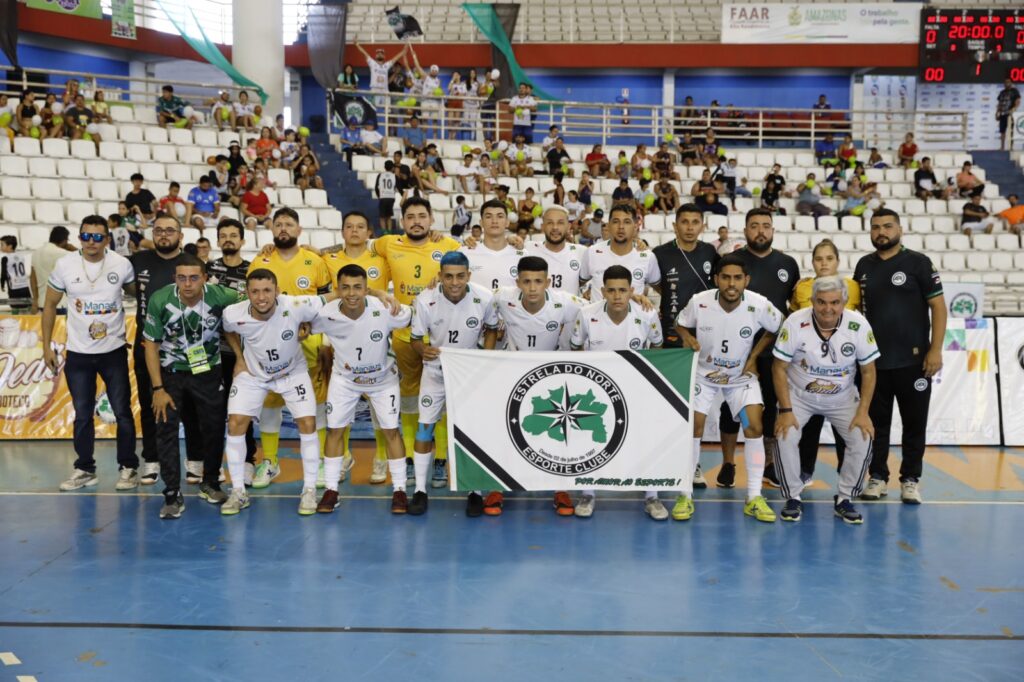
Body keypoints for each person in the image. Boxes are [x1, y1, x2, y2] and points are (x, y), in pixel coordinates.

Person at [675, 253, 783, 522]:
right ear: (716, 279)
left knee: (754, 425)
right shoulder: (699, 302)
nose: (731, 284)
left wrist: (754, 357)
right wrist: (687, 336)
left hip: (738, 377)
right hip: (704, 375)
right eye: (725, 278)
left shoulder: (759, 305)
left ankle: (754, 496)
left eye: (737, 278)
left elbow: (777, 328)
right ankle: (684, 494)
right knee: (694, 425)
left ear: (746, 280)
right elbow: (680, 324)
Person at [221, 270, 332, 516]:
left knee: (307, 423)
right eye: (255, 291)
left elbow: (333, 297)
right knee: (236, 423)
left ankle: (310, 490)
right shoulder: (233, 313)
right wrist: (239, 358)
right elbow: (228, 329)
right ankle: (238, 491)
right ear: (247, 292)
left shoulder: (295, 304)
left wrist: (376, 292)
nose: (261, 297)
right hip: (254, 374)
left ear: (277, 291)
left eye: (267, 290)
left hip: (292, 373)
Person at [854, 208, 946, 504]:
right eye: (876, 227)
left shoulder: (919, 263)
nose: (882, 232)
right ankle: (877, 477)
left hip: (915, 362)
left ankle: (910, 480)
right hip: (874, 364)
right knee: (876, 425)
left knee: (914, 424)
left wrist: (935, 349)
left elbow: (939, 308)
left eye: (887, 226)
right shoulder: (863, 266)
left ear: (900, 229)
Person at [369, 197, 462, 486]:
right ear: (402, 220)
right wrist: (309, 249)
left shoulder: (448, 246)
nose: (417, 221)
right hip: (404, 333)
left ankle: (441, 458)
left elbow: (477, 261)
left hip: (440, 336)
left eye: (422, 215)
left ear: (432, 219)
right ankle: (409, 457)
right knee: (409, 398)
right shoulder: (388, 243)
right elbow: (353, 248)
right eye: (410, 217)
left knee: (444, 398)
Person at [772, 276, 878, 525]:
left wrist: (863, 412)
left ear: (844, 302)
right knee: (784, 435)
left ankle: (845, 498)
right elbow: (778, 368)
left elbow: (869, 372)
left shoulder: (858, 325)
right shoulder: (795, 322)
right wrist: (786, 409)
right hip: (799, 396)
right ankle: (793, 496)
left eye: (834, 302)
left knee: (863, 437)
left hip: (842, 397)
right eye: (821, 302)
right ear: (811, 301)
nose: (828, 309)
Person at [42, 215, 138, 492]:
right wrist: (46, 345)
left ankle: (128, 467)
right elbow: (49, 306)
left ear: (107, 239)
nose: (91, 242)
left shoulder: (121, 265)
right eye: (86, 236)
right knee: (82, 414)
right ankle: (85, 469)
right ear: (79, 237)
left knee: (122, 412)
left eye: (97, 237)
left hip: (113, 351)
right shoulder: (64, 265)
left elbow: (140, 296)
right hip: (78, 354)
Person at [142, 255, 238, 519]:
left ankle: (210, 483)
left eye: (194, 277)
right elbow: (150, 345)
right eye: (181, 278)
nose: (187, 284)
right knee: (166, 431)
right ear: (175, 278)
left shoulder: (222, 296)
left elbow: (259, 302)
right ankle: (172, 493)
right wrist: (158, 389)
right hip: (171, 375)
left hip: (209, 371)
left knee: (214, 428)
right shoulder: (160, 300)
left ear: (205, 278)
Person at [312, 264, 410, 513]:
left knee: (391, 431)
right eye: (345, 287)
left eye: (358, 287)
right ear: (337, 289)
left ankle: (399, 490)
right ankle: (331, 489)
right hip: (345, 380)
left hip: (382, 380)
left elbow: (416, 317)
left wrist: (381, 294)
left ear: (367, 289)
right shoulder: (325, 314)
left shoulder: (386, 309)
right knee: (335, 431)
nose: (352, 293)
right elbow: (299, 318)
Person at [491, 256, 585, 516]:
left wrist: (637, 299)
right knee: (505, 433)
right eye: (527, 281)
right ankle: (497, 485)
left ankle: (560, 488)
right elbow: (470, 299)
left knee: (557, 434)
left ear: (549, 282)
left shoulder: (565, 302)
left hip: (550, 377)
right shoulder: (502, 298)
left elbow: (600, 309)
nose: (532, 288)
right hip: (511, 374)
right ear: (517, 282)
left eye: (538, 281)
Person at [570, 265, 666, 519]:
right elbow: (576, 349)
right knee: (589, 441)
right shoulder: (586, 313)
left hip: (636, 388)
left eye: (623, 290)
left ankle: (652, 496)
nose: (617, 296)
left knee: (646, 440)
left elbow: (657, 347)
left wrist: (648, 382)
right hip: (595, 390)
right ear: (602, 291)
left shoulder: (647, 314)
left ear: (632, 291)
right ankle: (588, 493)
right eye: (611, 290)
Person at [246, 208, 333, 489]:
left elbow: (327, 303)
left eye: (289, 224)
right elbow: (250, 303)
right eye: (279, 224)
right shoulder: (261, 260)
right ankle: (270, 461)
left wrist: (324, 337)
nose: (283, 228)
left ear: (299, 229)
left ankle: (319, 460)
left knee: (317, 401)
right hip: (270, 345)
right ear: (272, 229)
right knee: (270, 403)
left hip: (308, 341)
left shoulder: (314, 261)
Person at [411, 252, 499, 516]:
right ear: (439, 276)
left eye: (460, 276)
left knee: (471, 431)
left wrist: (485, 357)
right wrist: (422, 349)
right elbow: (416, 339)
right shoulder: (425, 300)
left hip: (469, 375)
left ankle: (474, 491)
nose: (454, 282)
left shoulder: (484, 297)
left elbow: (492, 329)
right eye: (448, 276)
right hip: (435, 373)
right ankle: (419, 490)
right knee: (424, 429)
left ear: (468, 276)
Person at [130, 213, 207, 485]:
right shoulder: (137, 261)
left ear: (180, 236)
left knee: (193, 407)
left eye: (170, 231)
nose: (164, 235)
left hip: (188, 351)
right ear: (152, 233)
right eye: (159, 230)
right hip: (147, 347)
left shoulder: (190, 264)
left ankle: (196, 461)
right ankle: (151, 461)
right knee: (152, 406)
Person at [732, 209, 800, 488]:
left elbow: (794, 306)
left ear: (773, 230)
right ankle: (728, 463)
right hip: (738, 347)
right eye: (754, 226)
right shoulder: (734, 261)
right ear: (745, 230)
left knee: (773, 403)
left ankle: (771, 464)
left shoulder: (787, 263)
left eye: (766, 226)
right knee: (732, 406)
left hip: (776, 350)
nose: (760, 231)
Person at [789, 239, 861, 480]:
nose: (824, 263)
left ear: (838, 261)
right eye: (819, 259)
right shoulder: (802, 288)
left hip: (843, 368)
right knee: (810, 425)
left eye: (829, 258)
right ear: (812, 262)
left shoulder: (852, 286)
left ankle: (846, 472)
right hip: (809, 367)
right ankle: (805, 470)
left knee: (846, 426)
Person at [206, 219, 258, 483]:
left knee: (242, 408)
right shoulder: (207, 270)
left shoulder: (253, 271)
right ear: (217, 241)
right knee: (214, 411)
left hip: (243, 354)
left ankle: (248, 461)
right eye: (223, 235)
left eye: (233, 236)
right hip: (212, 353)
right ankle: (212, 466)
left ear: (242, 241)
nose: (228, 239)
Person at [652, 205, 719, 351]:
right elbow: (654, 283)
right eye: (684, 222)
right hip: (672, 328)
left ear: (703, 226)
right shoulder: (660, 253)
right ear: (675, 226)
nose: (690, 228)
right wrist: (670, 294)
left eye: (695, 222)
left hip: (705, 326)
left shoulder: (709, 251)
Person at [580, 204, 661, 303]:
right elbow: (577, 282)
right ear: (609, 225)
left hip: (634, 318)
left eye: (627, 222)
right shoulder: (592, 252)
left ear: (635, 226)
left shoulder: (648, 257)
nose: (621, 227)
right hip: (597, 318)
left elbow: (660, 288)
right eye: (615, 222)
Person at [460, 199, 526, 291]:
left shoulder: (523, 255)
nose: (494, 221)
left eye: (500, 216)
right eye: (488, 216)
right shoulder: (465, 253)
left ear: (507, 222)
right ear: (481, 222)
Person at [31, 226, 76, 311]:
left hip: (42, 302)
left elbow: (33, 279)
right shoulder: (63, 253)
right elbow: (87, 257)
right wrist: (74, 249)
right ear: (65, 240)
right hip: (60, 303)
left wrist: (35, 300)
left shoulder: (36, 252)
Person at [1, 236, 33, 314]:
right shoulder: (21, 256)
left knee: (15, 307)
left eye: (2, 244)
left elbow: (4, 273)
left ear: (10, 246)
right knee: (27, 306)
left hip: (14, 287)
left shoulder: (5, 258)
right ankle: (28, 321)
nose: (0, 246)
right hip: (24, 286)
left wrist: (2, 285)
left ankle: (15, 321)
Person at [996, 78, 1021, 150]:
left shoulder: (1014, 91)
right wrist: (997, 112)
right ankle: (1002, 147)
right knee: (1002, 131)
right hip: (1002, 113)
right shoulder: (1002, 92)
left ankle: (1011, 147)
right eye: (1005, 82)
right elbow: (999, 103)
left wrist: (1014, 109)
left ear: (1011, 83)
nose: (1007, 83)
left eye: (1008, 82)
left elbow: (1018, 101)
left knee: (1011, 131)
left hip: (1010, 114)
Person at [376, 160, 398, 234]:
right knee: (389, 216)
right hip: (391, 197)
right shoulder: (394, 176)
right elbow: (396, 187)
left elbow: (376, 187)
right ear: (392, 168)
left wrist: (379, 195)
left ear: (384, 167)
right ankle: (389, 230)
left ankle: (384, 231)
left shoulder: (380, 175)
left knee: (382, 216)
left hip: (383, 196)